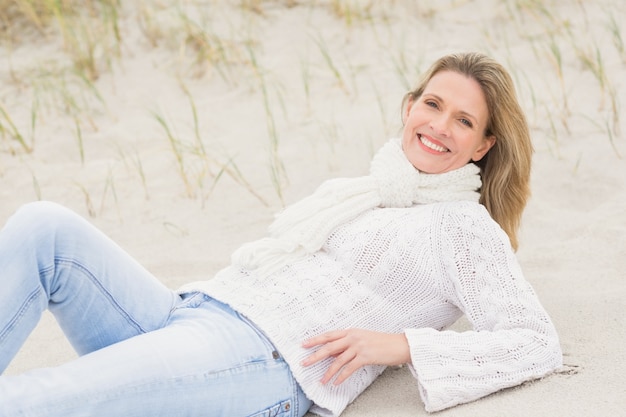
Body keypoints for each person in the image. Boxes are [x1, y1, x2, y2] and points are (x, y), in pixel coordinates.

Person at [0, 52, 562, 417]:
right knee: (44, 226)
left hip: (260, 358)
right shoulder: (365, 189)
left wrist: (403, 346)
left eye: (464, 121)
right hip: (192, 311)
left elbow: (535, 341)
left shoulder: (464, 228)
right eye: (433, 104)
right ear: (410, 106)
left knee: (38, 399)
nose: (439, 125)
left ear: (484, 145)